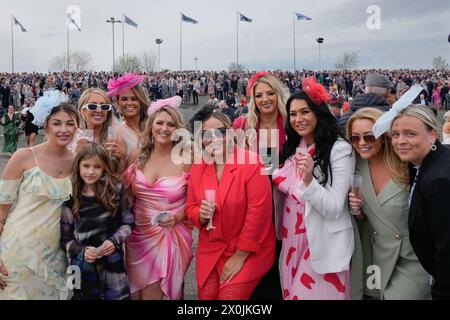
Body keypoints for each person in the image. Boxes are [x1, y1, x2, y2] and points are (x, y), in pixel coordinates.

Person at [272, 77, 355, 300]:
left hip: (321, 244)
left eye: (305, 112)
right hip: (291, 243)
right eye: (293, 114)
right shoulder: (290, 148)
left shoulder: (340, 150)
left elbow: (335, 207)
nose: (298, 119)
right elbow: (267, 173)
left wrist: (309, 181)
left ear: (319, 113)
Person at [185, 107, 275, 300]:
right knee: (206, 296)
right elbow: (190, 206)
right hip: (211, 247)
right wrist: (199, 215)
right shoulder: (199, 166)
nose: (215, 138)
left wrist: (240, 256)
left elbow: (258, 215)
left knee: (229, 298)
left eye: (221, 132)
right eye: (207, 134)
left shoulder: (251, 162)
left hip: (248, 249)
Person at [347, 107, 431, 300]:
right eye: (354, 138)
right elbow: (367, 217)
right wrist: (356, 209)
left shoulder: (406, 164)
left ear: (383, 136)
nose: (361, 143)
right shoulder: (356, 167)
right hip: (376, 258)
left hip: (412, 258)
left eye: (369, 137)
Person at [0, 103, 79, 299]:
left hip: (57, 258)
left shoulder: (79, 162)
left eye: (70, 124)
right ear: (46, 125)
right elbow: (1, 212)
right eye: (57, 123)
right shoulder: (23, 157)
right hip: (17, 253)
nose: (64, 130)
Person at [122, 96, 193, 300]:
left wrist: (178, 217)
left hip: (170, 234)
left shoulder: (186, 158)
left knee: (155, 293)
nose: (164, 128)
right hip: (137, 236)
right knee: (134, 293)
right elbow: (125, 194)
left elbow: (195, 199)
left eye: (171, 124)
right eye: (160, 123)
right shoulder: (137, 155)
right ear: (151, 126)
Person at [232, 71, 287, 300]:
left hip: (285, 202)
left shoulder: (291, 123)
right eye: (259, 95)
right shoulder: (243, 125)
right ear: (252, 99)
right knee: (254, 260)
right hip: (252, 203)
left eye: (270, 93)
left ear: (278, 94)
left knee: (279, 257)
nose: (265, 99)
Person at [388, 104, 450, 300]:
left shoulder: (439, 180)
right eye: (395, 134)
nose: (400, 141)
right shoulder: (428, 162)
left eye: (410, 134)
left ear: (433, 134)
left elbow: (447, 249)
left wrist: (441, 292)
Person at [60, 142, 133, 300]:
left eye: (97, 167)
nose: (91, 171)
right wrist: (83, 251)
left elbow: (128, 223)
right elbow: (65, 240)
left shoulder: (116, 190)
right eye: (86, 166)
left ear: (105, 168)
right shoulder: (69, 196)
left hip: (112, 263)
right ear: (78, 166)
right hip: (81, 266)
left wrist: (114, 241)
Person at [75, 88, 126, 172]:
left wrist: (122, 159)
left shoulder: (115, 139)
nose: (99, 110)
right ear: (82, 111)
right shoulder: (73, 138)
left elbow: (121, 179)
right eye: (92, 106)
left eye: (104, 106)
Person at [107, 73, 150, 160]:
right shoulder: (116, 133)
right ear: (117, 103)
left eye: (134, 99)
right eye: (124, 99)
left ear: (141, 102)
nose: (129, 103)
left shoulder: (153, 126)